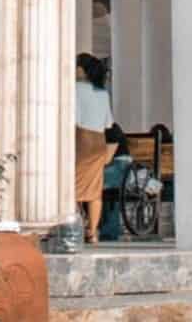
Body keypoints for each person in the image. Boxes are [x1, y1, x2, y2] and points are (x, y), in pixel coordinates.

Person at [75, 53, 113, 243]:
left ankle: (73, 226)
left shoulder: (74, 89)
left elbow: (72, 118)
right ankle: (93, 232)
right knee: (94, 189)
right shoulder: (102, 92)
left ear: (82, 69)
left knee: (71, 186)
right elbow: (108, 123)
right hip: (99, 141)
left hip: (80, 139)